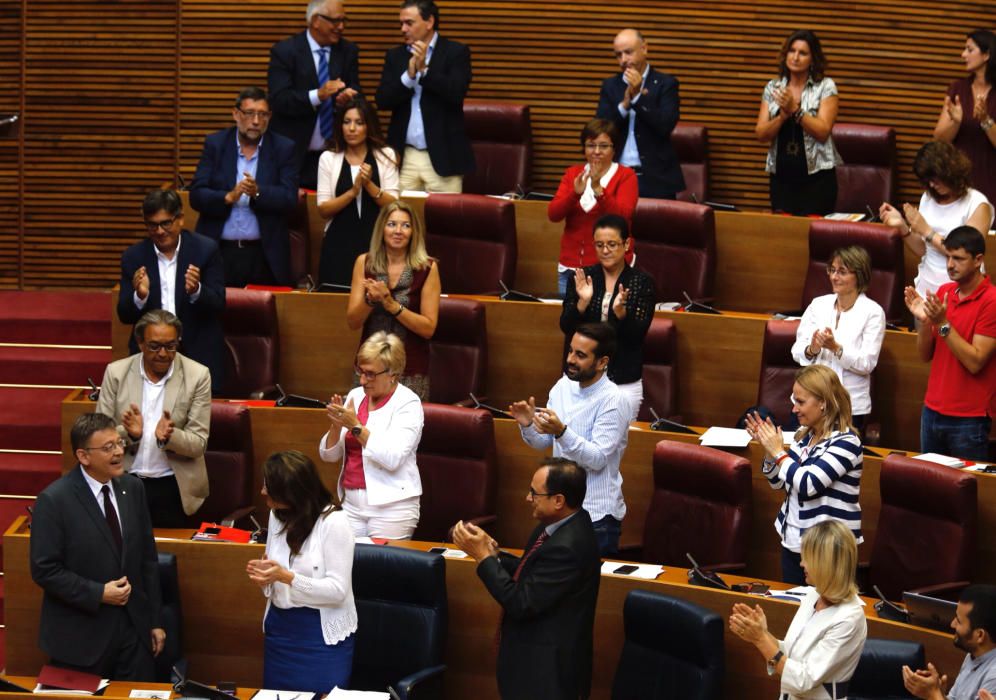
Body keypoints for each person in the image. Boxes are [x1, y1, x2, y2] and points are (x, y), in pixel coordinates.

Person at [30, 413, 165, 680]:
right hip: (81, 638)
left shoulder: (133, 488)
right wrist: (98, 593)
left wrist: (154, 621)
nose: (118, 452)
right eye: (108, 448)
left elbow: (148, 560)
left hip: (133, 632)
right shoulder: (54, 500)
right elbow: (44, 569)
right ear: (83, 456)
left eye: (119, 443)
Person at [452, 458, 601, 700]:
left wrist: (483, 558)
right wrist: (494, 554)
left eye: (535, 493)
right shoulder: (556, 527)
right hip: (535, 666)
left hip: (548, 675)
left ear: (558, 500)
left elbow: (521, 602)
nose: (527, 498)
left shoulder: (568, 546)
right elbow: (530, 570)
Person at [510, 322, 628, 556]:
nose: (571, 359)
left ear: (602, 362)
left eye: (581, 355)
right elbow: (545, 443)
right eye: (571, 351)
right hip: (560, 512)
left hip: (596, 516)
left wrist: (562, 431)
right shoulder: (563, 386)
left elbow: (598, 459)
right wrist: (527, 426)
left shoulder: (613, 400)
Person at [247, 451, 356, 693]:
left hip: (319, 637)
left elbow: (338, 591)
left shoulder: (334, 522)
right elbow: (275, 567)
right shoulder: (277, 515)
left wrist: (285, 577)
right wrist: (266, 576)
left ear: (291, 493)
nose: (263, 491)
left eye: (269, 486)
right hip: (281, 631)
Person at [744, 364, 863, 585]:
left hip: (828, 553)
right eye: (794, 401)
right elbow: (779, 483)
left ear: (824, 404)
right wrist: (769, 451)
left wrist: (778, 452)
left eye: (801, 402)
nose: (794, 409)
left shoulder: (847, 443)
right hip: (794, 543)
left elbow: (809, 483)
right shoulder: (804, 436)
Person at [97, 310, 211, 528]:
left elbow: (199, 444)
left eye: (170, 346)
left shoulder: (198, 375)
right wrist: (128, 434)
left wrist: (170, 437)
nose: (163, 353)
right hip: (124, 479)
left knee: (168, 558)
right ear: (140, 343)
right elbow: (99, 438)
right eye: (154, 346)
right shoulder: (116, 373)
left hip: (173, 487)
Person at [729, 520, 867, 700]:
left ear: (824, 564)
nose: (801, 563)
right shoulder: (813, 596)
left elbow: (803, 680)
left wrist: (761, 639)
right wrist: (763, 634)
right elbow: (792, 654)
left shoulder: (849, 618)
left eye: (807, 557)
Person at [116, 188, 225, 392]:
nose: (159, 231)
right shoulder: (134, 257)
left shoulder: (205, 250)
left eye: (165, 223)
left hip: (197, 350)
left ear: (180, 219)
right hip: (151, 355)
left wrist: (196, 290)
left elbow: (219, 303)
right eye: (152, 225)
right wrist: (140, 296)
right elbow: (124, 314)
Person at [189, 87, 300, 287]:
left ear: (269, 117)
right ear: (236, 114)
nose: (256, 121)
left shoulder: (283, 148)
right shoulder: (216, 144)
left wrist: (257, 192)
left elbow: (289, 198)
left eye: (262, 114)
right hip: (219, 252)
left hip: (264, 255)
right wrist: (227, 197)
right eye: (249, 113)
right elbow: (196, 195)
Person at [318, 332, 423, 539]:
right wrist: (336, 427)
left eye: (371, 374)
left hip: (392, 507)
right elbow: (328, 456)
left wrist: (356, 426)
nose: (363, 380)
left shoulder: (408, 404)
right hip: (351, 504)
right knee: (346, 566)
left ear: (393, 374)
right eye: (361, 372)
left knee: (381, 569)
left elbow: (392, 458)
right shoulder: (356, 396)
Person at [905, 226, 996, 461]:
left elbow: (975, 361)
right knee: (929, 490)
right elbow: (925, 355)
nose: (950, 265)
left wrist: (943, 324)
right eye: (948, 257)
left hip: (969, 419)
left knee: (966, 492)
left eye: (958, 258)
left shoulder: (991, 301)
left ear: (978, 260)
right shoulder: (945, 292)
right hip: (932, 411)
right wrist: (924, 322)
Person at [560, 214, 655, 421]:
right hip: (580, 379)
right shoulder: (583, 278)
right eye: (599, 244)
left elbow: (637, 336)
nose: (605, 251)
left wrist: (622, 315)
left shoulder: (641, 282)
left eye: (612, 244)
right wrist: (582, 303)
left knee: (618, 446)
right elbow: (567, 327)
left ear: (626, 244)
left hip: (622, 380)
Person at [375, 0, 474, 193]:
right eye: (401, 23)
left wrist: (425, 71)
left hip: (443, 157)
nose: (403, 29)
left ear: (429, 22)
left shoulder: (455, 53)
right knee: (398, 218)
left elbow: (456, 93)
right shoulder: (395, 56)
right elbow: (382, 100)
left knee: (446, 220)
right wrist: (409, 76)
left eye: (409, 23)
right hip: (404, 156)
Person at [345, 200, 439, 400]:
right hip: (369, 368)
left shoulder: (427, 268)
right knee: (363, 427)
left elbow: (428, 328)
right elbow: (353, 321)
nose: (398, 231)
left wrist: (392, 305)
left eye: (405, 225)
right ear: (382, 229)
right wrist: (370, 300)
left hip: (411, 369)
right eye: (392, 224)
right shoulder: (365, 263)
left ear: (414, 232)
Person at [880, 140, 994, 297]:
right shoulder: (927, 198)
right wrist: (902, 226)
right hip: (927, 289)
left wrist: (927, 231)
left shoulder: (978, 204)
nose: (932, 185)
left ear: (951, 171)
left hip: (963, 292)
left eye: (935, 178)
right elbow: (923, 250)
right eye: (927, 181)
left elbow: (966, 253)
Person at [790, 245, 886, 431]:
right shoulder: (818, 304)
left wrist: (836, 348)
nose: (834, 277)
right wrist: (813, 349)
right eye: (832, 270)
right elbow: (796, 351)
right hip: (809, 399)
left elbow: (867, 363)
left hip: (848, 405)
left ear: (859, 275)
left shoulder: (873, 312)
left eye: (842, 272)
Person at [267, 0, 360, 190]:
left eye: (344, 21)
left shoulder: (348, 51)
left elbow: (358, 96)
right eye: (335, 21)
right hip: (293, 154)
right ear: (316, 20)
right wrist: (318, 95)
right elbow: (279, 100)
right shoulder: (285, 51)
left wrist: (346, 101)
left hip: (334, 154)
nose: (341, 27)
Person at [755, 29, 842, 216]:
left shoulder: (825, 86)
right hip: (782, 179)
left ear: (813, 59)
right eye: (792, 51)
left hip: (817, 180)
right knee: (784, 238)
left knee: (813, 236)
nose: (795, 57)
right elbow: (761, 134)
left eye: (802, 53)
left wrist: (795, 110)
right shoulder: (773, 87)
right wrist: (781, 117)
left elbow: (823, 131)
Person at [548, 119, 638, 297]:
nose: (596, 151)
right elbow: (554, 214)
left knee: (603, 324)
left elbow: (624, 216)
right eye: (591, 145)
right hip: (570, 268)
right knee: (569, 323)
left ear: (614, 149)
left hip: (609, 269)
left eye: (603, 146)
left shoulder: (626, 176)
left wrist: (599, 191)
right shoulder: (573, 174)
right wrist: (574, 193)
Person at [316, 95, 400, 287]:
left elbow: (394, 206)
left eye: (359, 123)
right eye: (347, 122)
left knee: (376, 303)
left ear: (368, 126)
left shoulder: (385, 155)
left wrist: (369, 185)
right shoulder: (328, 158)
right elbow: (323, 209)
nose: (352, 128)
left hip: (377, 243)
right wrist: (353, 192)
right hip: (338, 243)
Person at [596, 28, 685, 199]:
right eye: (618, 55)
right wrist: (624, 105)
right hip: (616, 175)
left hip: (655, 179)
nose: (623, 60)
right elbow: (599, 130)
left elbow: (664, 126)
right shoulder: (610, 86)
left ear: (644, 49)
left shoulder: (666, 84)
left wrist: (638, 98)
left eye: (628, 53)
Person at [933, 30, 996, 206]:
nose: (963, 55)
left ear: (986, 55)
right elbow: (939, 139)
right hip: (960, 177)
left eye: (969, 49)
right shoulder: (957, 88)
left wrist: (985, 120)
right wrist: (956, 122)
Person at [902, 584, 996, 700]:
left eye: (959, 621)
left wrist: (933, 695)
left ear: (980, 635)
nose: (952, 624)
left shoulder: (994, 677)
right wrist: (938, 692)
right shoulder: (974, 653)